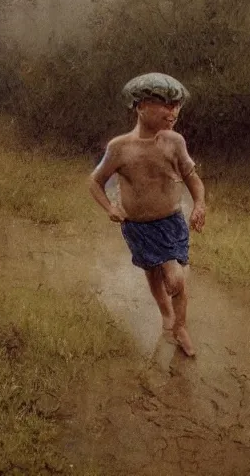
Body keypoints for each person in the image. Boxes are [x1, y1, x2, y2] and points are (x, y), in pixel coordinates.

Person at [88, 73, 206, 356]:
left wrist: (200, 203)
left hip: (171, 222)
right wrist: (110, 208)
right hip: (137, 226)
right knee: (153, 272)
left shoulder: (174, 142)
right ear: (141, 107)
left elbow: (192, 177)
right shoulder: (119, 147)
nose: (173, 111)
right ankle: (166, 314)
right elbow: (94, 181)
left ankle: (181, 326)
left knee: (175, 277)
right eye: (165, 104)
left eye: (176, 105)